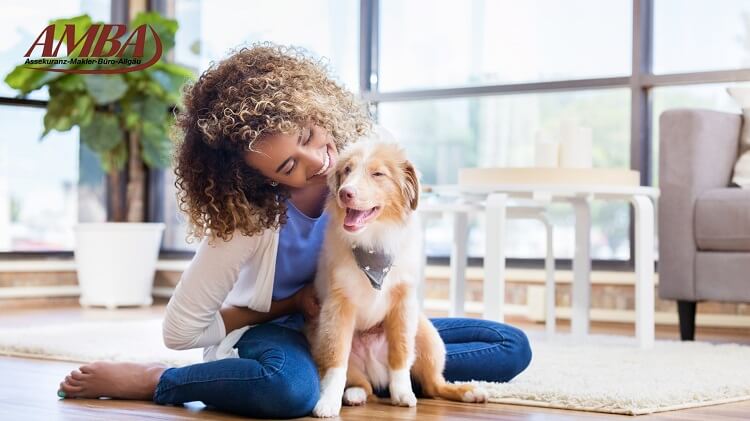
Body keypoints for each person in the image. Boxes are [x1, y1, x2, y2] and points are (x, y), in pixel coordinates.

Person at [56, 43, 532, 419]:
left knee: (510, 348)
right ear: (263, 178)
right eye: (289, 164)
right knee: (289, 391)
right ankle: (161, 381)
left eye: (308, 137)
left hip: (365, 325)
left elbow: (398, 242)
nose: (319, 162)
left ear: (315, 110)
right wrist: (290, 303)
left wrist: (395, 332)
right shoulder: (246, 219)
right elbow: (180, 329)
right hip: (284, 331)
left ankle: (369, 374)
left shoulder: (360, 168)